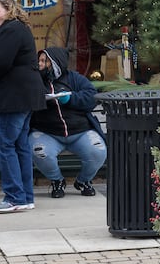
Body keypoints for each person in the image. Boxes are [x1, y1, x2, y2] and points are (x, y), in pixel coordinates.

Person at [0, 0, 46, 213]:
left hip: (13, 98)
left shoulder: (11, 29)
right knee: (19, 147)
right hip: (23, 97)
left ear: (9, 10)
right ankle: (24, 196)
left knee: (5, 146)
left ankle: (15, 197)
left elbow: (1, 62)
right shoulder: (19, 28)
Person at [30, 47, 106, 198]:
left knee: (98, 150)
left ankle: (83, 181)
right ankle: (57, 180)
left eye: (44, 61)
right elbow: (26, 101)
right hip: (48, 133)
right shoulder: (35, 80)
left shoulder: (74, 78)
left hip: (80, 131)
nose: (40, 64)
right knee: (40, 151)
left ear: (55, 63)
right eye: (39, 60)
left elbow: (92, 97)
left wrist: (70, 99)